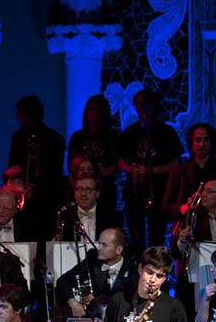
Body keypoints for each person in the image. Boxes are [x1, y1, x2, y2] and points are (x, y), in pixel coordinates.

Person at [118, 90, 184, 253]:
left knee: (157, 233)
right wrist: (133, 170)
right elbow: (119, 161)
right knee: (135, 232)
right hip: (134, 191)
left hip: (158, 191)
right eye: (139, 104)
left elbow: (176, 162)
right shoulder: (129, 132)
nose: (142, 108)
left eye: (146, 103)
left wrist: (151, 171)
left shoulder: (166, 132)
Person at [8, 95, 66, 240]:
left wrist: (35, 186)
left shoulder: (55, 139)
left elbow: (55, 173)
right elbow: (12, 167)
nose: (17, 118)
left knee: (45, 239)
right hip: (23, 201)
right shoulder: (18, 138)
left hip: (46, 201)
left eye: (19, 114)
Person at [56, 228, 137, 317]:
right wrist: (74, 304)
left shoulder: (132, 265)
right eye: (99, 243)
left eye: (104, 245)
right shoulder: (93, 259)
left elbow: (129, 301)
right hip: (94, 320)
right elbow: (63, 281)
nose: (99, 248)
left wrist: (97, 302)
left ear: (118, 250)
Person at [67, 95, 120, 211]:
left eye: (99, 110)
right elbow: (71, 166)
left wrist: (104, 171)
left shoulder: (112, 137)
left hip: (105, 191)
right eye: (91, 109)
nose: (95, 113)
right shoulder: (77, 137)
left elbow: (117, 165)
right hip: (81, 191)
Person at [57, 175, 125, 243]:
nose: (83, 193)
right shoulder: (64, 216)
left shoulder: (113, 217)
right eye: (79, 189)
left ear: (97, 193)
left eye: (88, 189)